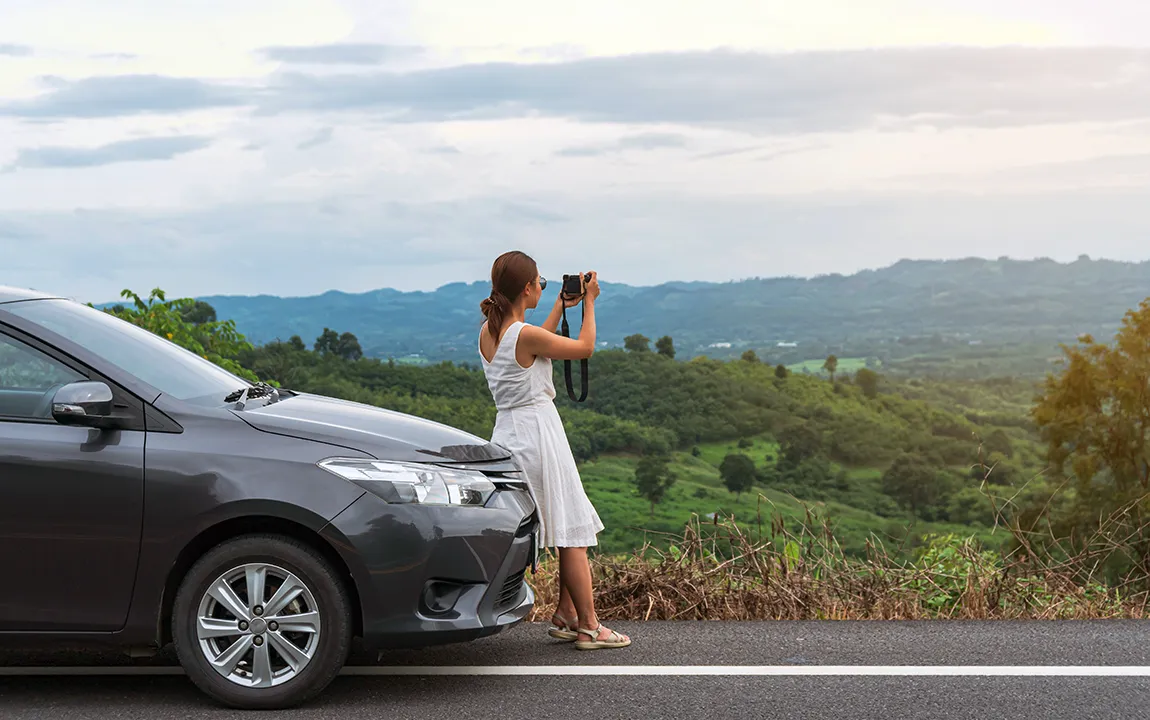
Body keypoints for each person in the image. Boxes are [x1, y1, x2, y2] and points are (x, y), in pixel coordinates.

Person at [478, 250, 631, 651]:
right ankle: (591, 627)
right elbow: (583, 347)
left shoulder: (490, 332)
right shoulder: (524, 335)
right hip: (539, 434)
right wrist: (590, 304)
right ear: (528, 289)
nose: (541, 288)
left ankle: (566, 616)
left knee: (563, 525)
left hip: (508, 433)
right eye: (539, 283)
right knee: (571, 532)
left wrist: (561, 306)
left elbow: (529, 347)